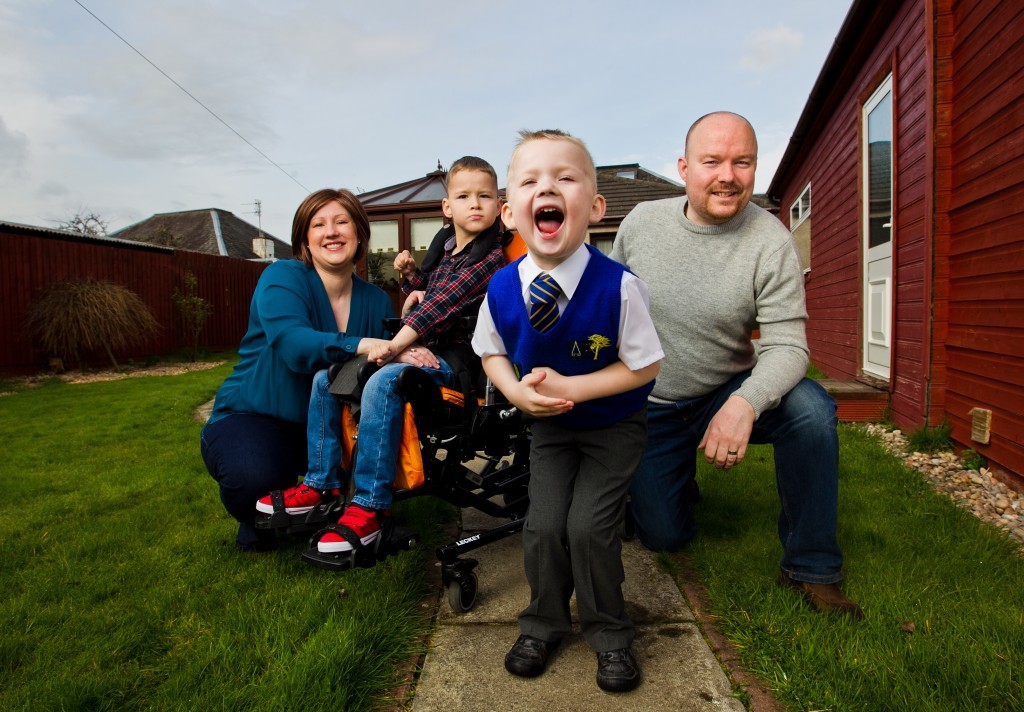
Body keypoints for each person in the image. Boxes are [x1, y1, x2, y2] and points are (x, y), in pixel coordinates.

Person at [610, 111, 863, 619]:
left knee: (812, 411)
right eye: (712, 161)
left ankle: (811, 569)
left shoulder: (770, 240)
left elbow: (789, 345)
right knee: (663, 536)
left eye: (742, 162)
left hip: (725, 386)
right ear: (684, 167)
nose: (728, 174)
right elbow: (608, 307)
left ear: (754, 168)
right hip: (653, 403)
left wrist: (746, 403)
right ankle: (672, 482)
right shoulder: (641, 225)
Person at [473, 130, 663, 693]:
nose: (546, 188)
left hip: (612, 428)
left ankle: (609, 633)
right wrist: (513, 392)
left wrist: (575, 388)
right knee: (543, 526)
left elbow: (647, 366)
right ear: (510, 213)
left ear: (595, 208)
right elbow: (490, 350)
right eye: (529, 180)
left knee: (587, 529)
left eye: (564, 177)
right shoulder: (502, 288)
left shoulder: (619, 287)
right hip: (551, 431)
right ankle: (543, 623)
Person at [258, 156, 506, 556]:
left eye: (484, 196)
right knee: (328, 375)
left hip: (459, 363)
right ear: (448, 208)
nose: (474, 204)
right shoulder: (446, 249)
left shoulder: (491, 258)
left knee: (387, 378)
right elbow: (430, 290)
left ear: (499, 206)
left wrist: (396, 347)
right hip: (424, 346)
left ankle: (370, 507)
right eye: (464, 196)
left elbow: (441, 305)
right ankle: (322, 484)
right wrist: (412, 277)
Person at [201, 188, 394, 552]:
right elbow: (292, 344)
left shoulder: (377, 300)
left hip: (330, 424)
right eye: (318, 224)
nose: (331, 232)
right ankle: (255, 517)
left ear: (359, 233)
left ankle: (326, 505)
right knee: (254, 481)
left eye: (342, 222)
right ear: (305, 238)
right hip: (257, 415)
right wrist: (360, 344)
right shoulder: (283, 277)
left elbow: (382, 367)